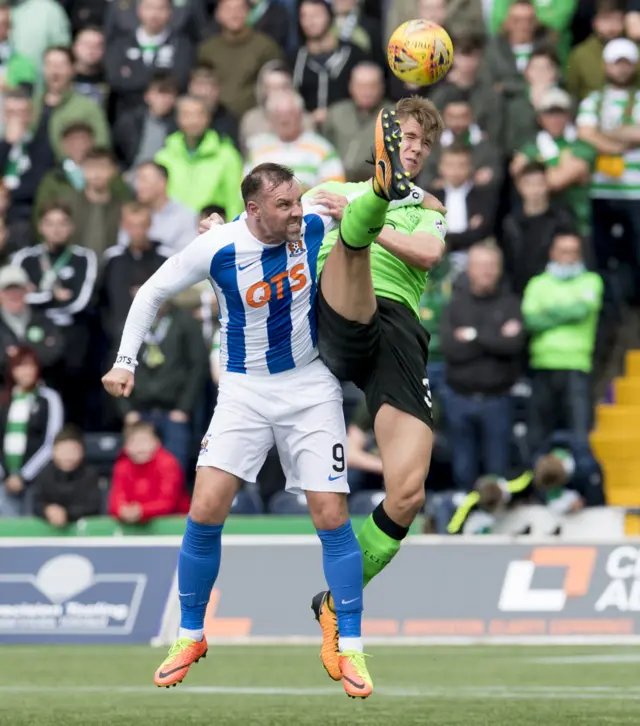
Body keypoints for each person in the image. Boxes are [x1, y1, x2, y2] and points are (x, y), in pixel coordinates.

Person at [198, 99, 448, 681]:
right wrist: (221, 231)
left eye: (423, 144)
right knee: (351, 247)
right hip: (332, 316)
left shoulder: (430, 208)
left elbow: (430, 252)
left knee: (407, 493)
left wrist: (376, 220)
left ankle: (334, 601)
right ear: (384, 140)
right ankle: (360, 225)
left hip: (398, 336)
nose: (415, 148)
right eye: (406, 138)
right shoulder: (331, 188)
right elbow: (269, 222)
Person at [101, 163, 373, 698]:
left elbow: (389, 195)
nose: (296, 211)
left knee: (332, 513)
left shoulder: (316, 219)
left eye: (297, 201)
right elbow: (150, 293)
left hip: (310, 386)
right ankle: (190, 635)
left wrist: (421, 201)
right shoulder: (216, 247)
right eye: (284, 205)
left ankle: (353, 646)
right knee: (204, 509)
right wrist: (125, 361)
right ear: (253, 209)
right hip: (244, 391)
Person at [0, 346, 64, 517]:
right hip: (4, 481)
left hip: (37, 479)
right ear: (11, 370)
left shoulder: (49, 398)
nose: (25, 371)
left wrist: (24, 476)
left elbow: (52, 441)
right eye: (19, 366)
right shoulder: (3, 399)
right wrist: (6, 475)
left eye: (30, 365)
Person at [32, 424, 102, 527]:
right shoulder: (44, 474)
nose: (68, 455)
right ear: (53, 452)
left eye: (73, 450)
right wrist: (47, 511)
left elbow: (93, 506)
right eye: (63, 450)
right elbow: (36, 503)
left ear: (82, 452)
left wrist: (67, 514)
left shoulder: (90, 475)